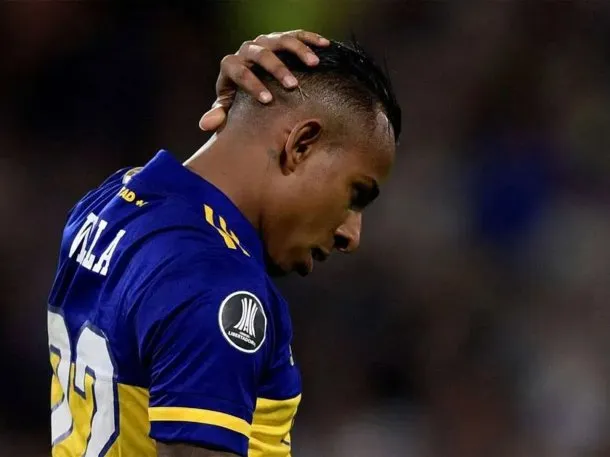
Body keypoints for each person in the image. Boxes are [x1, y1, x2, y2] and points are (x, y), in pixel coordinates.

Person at [47, 29, 401, 457]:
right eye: (356, 195)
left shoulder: (111, 201)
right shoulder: (219, 283)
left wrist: (241, 120)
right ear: (301, 144)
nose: (351, 234)